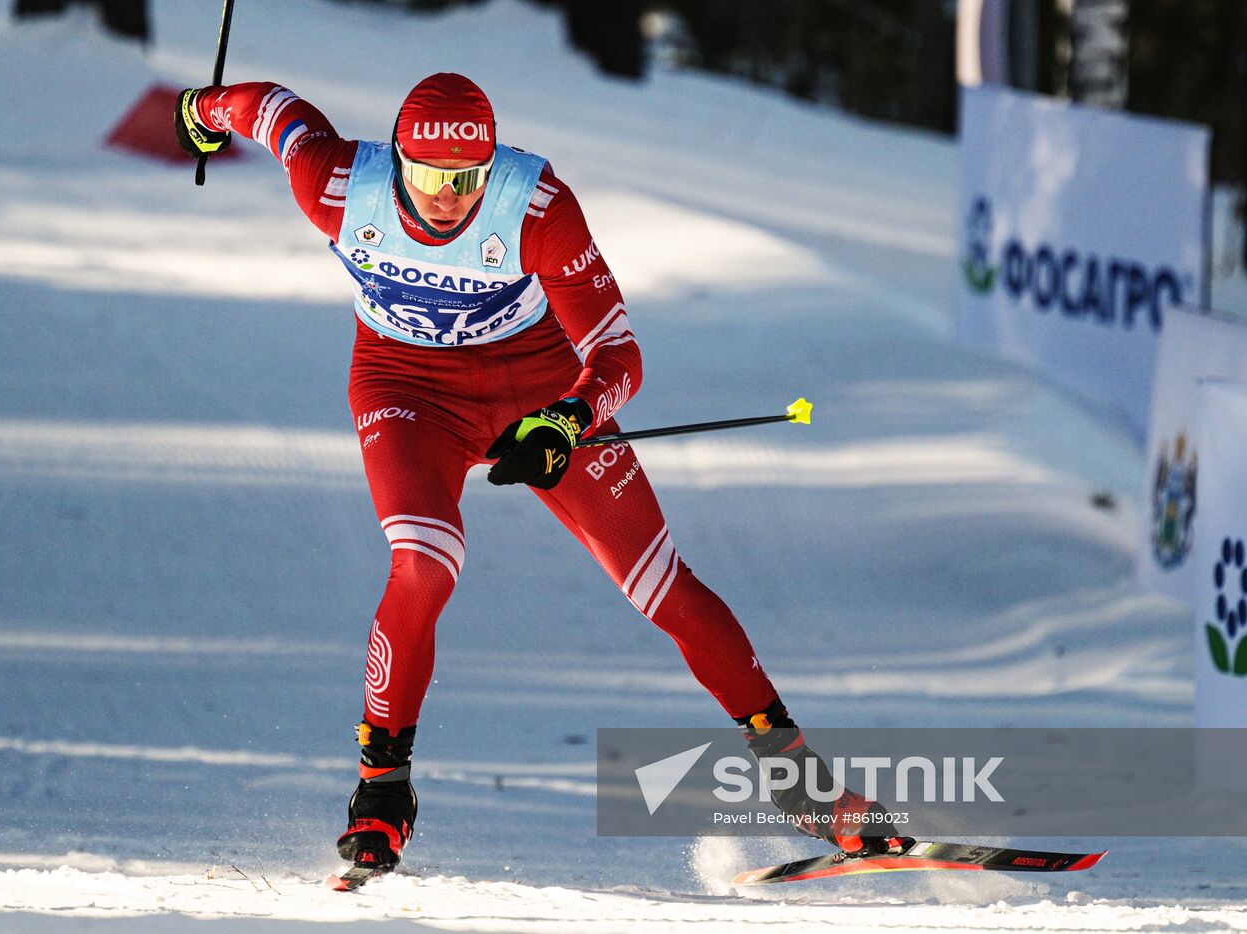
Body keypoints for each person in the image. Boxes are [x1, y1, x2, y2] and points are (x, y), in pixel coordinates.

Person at [175, 73, 902, 873]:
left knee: (664, 585)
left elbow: (620, 353)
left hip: (536, 385)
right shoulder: (340, 185)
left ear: (491, 168)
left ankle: (802, 785)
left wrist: (569, 418)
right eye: (426, 178)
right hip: (407, 388)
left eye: (466, 180)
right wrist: (198, 111)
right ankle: (382, 792)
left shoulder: (538, 206)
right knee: (423, 562)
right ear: (396, 166)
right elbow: (273, 110)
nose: (447, 199)